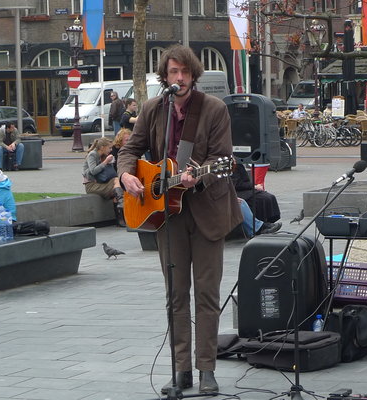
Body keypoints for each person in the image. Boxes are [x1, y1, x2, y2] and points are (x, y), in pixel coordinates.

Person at [117, 44, 241, 395]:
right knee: (175, 294)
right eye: (174, 72)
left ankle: (207, 370)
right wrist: (126, 175)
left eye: (185, 72)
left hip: (206, 210)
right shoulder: (154, 109)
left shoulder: (214, 109)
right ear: (165, 76)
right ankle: (181, 370)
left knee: (206, 293)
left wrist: (197, 176)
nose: (180, 78)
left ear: (193, 75)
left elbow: (223, 158)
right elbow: (129, 149)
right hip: (165, 214)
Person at [82, 137, 124, 227]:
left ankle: (120, 217)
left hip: (102, 183)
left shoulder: (103, 156)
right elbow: (93, 171)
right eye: (109, 147)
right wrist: (105, 162)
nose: (111, 150)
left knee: (117, 182)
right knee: (116, 182)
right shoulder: (92, 155)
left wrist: (110, 163)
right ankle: (121, 206)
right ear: (102, 147)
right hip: (92, 185)